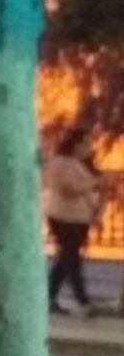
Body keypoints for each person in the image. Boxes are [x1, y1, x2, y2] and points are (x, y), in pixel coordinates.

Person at [43, 126, 101, 317]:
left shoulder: (79, 164)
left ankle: (49, 297)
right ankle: (82, 299)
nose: (89, 148)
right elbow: (69, 188)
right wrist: (95, 182)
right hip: (65, 218)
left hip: (78, 218)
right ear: (76, 144)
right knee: (70, 258)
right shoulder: (61, 163)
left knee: (67, 259)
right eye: (86, 143)